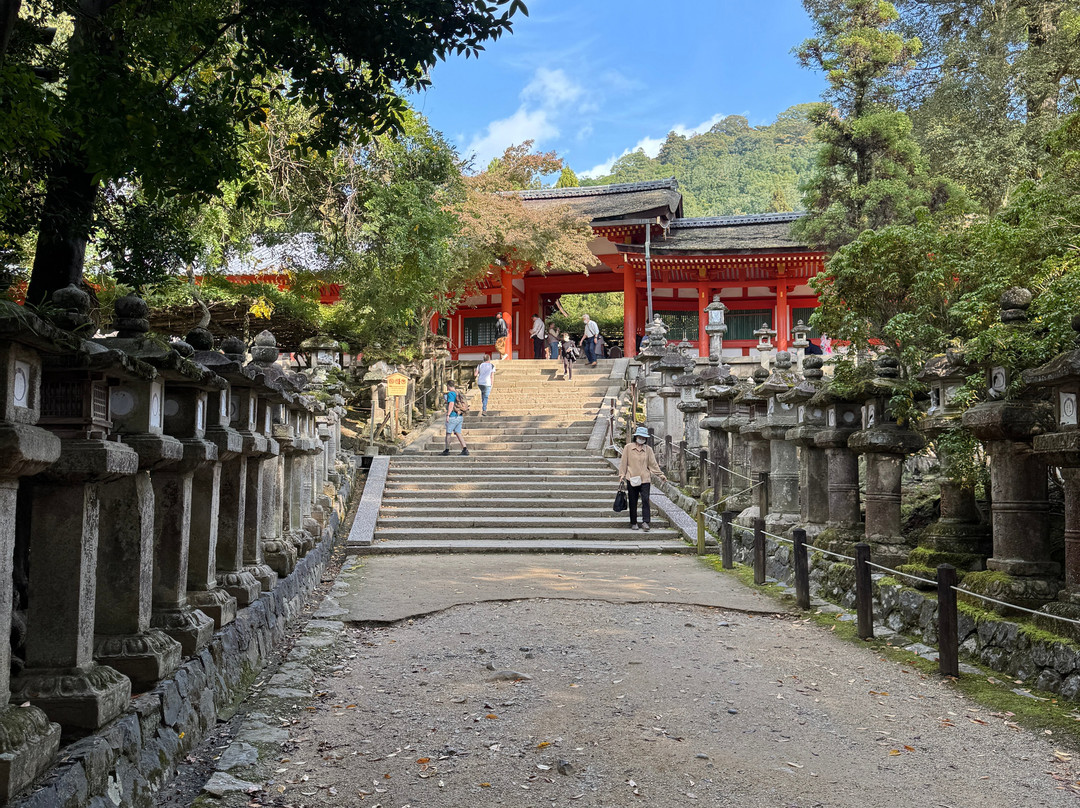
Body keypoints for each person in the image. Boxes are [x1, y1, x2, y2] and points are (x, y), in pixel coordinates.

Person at [618, 426, 666, 531]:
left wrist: (660, 474)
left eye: (643, 438)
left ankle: (645, 522)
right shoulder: (628, 448)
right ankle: (633, 522)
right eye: (640, 437)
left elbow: (653, 464)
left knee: (645, 500)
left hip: (645, 479)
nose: (641, 439)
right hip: (632, 478)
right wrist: (622, 475)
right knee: (633, 501)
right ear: (636, 437)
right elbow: (623, 462)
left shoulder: (648, 450)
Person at [441, 380, 469, 455]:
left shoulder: (451, 393)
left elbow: (451, 404)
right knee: (458, 433)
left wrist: (448, 415)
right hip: (459, 416)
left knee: (448, 433)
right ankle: (465, 449)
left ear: (448, 386)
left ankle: (447, 450)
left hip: (453, 416)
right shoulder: (458, 393)